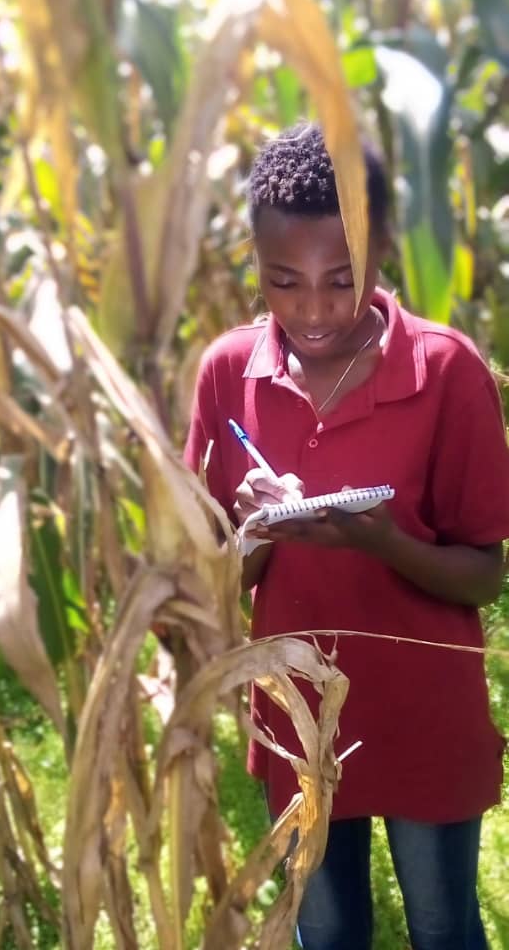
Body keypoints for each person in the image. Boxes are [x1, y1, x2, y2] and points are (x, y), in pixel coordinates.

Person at [184, 123, 509, 950]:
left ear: (383, 249)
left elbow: (482, 576)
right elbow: (216, 576)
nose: (314, 311)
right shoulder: (228, 374)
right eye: (282, 283)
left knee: (442, 926)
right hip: (296, 722)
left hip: (425, 718)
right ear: (253, 263)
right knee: (323, 930)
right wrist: (258, 528)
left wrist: (382, 542)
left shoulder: (446, 371)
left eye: (343, 280)